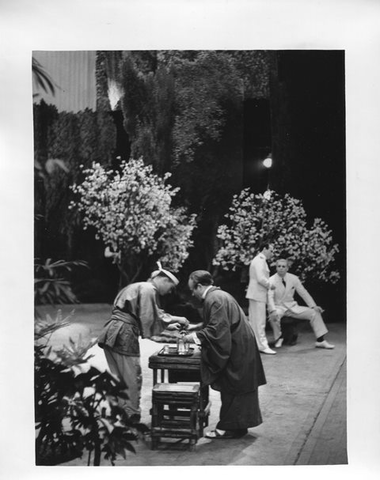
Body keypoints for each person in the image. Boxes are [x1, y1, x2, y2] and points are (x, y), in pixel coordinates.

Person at [97, 264, 190, 422]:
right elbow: (147, 317)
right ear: (163, 280)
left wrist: (167, 325)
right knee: (132, 378)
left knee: (118, 377)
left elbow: (151, 313)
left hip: (112, 332)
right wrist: (177, 319)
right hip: (123, 334)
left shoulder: (140, 286)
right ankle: (131, 416)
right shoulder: (149, 289)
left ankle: (120, 414)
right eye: (170, 287)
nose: (169, 292)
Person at [183, 270, 266, 439]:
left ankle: (227, 428)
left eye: (193, 289)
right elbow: (218, 322)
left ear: (199, 286)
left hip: (237, 346)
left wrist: (193, 337)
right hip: (241, 343)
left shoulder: (213, 299)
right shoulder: (219, 295)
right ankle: (238, 426)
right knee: (239, 387)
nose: (192, 293)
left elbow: (217, 330)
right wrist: (196, 327)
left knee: (232, 385)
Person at [267, 258, 334, 349]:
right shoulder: (271, 280)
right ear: (276, 268)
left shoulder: (293, 278)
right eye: (279, 266)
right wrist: (273, 310)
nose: (281, 268)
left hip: (292, 307)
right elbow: (270, 297)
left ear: (287, 268)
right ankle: (279, 337)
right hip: (278, 307)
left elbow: (303, 292)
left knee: (315, 312)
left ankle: (320, 341)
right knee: (273, 317)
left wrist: (313, 305)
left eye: (283, 266)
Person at [246, 243, 277, 355]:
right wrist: (270, 285)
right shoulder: (259, 260)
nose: (272, 253)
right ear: (265, 249)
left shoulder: (259, 260)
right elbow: (261, 278)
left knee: (255, 321)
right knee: (259, 322)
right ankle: (263, 346)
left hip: (256, 294)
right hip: (257, 294)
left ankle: (254, 345)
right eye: (271, 250)